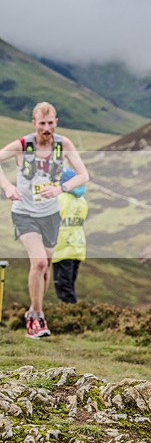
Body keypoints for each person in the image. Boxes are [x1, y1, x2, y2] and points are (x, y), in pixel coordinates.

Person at [0, 102, 89, 339]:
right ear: (34, 123)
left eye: (50, 123)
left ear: (56, 122)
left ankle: (33, 309)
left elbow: (83, 175)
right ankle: (37, 319)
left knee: (46, 268)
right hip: (24, 212)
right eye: (42, 123)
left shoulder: (63, 144)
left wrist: (61, 188)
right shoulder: (23, 145)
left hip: (50, 214)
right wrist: (7, 186)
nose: (46, 128)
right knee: (39, 263)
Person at [52, 167, 88, 304]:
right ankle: (71, 310)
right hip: (77, 246)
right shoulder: (82, 201)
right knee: (70, 282)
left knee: (63, 285)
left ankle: (70, 311)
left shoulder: (59, 199)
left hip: (61, 247)